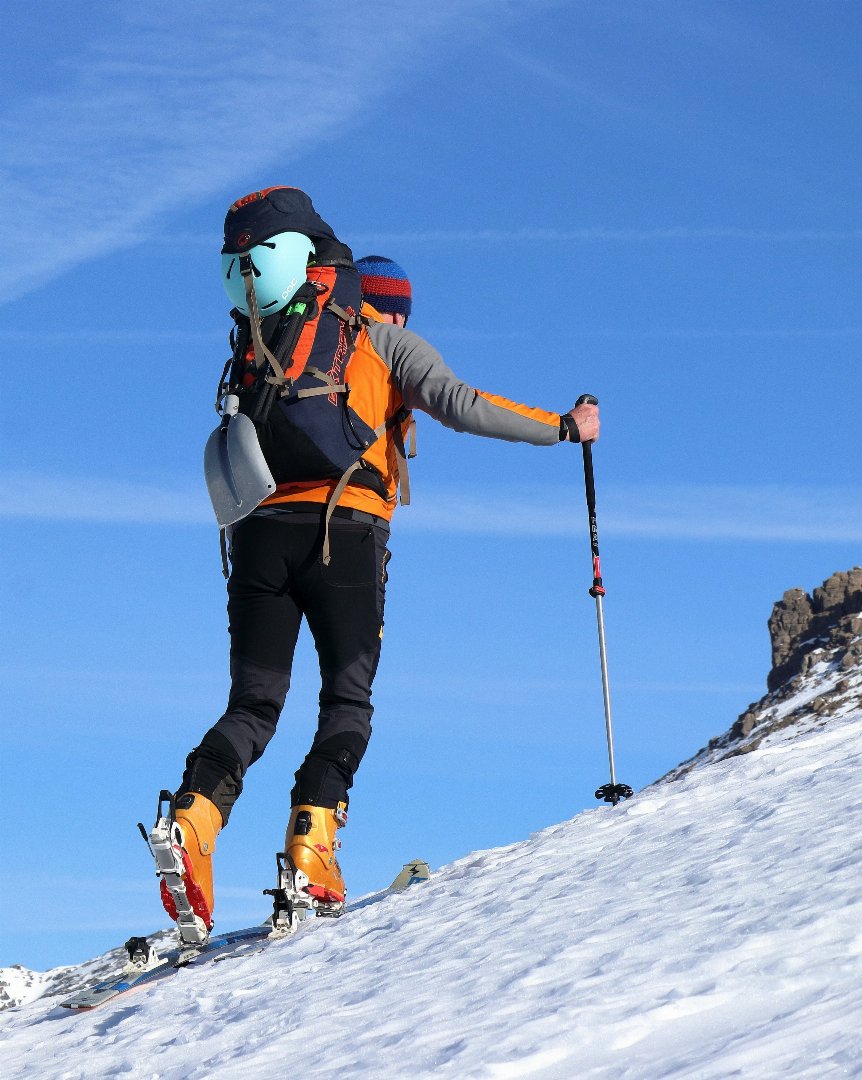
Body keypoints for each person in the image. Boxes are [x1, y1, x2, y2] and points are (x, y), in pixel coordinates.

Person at [162, 188, 598, 934]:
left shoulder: (270, 335)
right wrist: (564, 427)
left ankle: (195, 823)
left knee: (253, 705)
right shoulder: (384, 340)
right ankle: (311, 848)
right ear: (391, 303)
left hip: (259, 535)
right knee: (347, 701)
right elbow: (461, 403)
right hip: (347, 537)